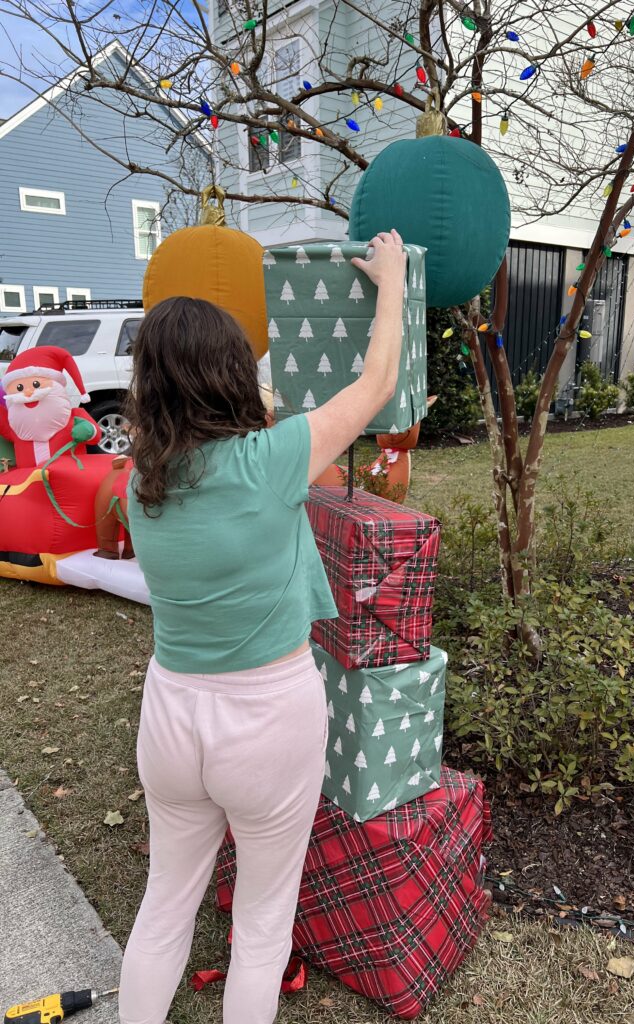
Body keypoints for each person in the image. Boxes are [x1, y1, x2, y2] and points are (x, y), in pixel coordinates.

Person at [118, 230, 406, 1024]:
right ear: (232, 372)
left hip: (172, 711)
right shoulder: (273, 458)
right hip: (267, 714)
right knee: (262, 923)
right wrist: (392, 279)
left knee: (164, 907)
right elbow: (377, 380)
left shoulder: (134, 484)